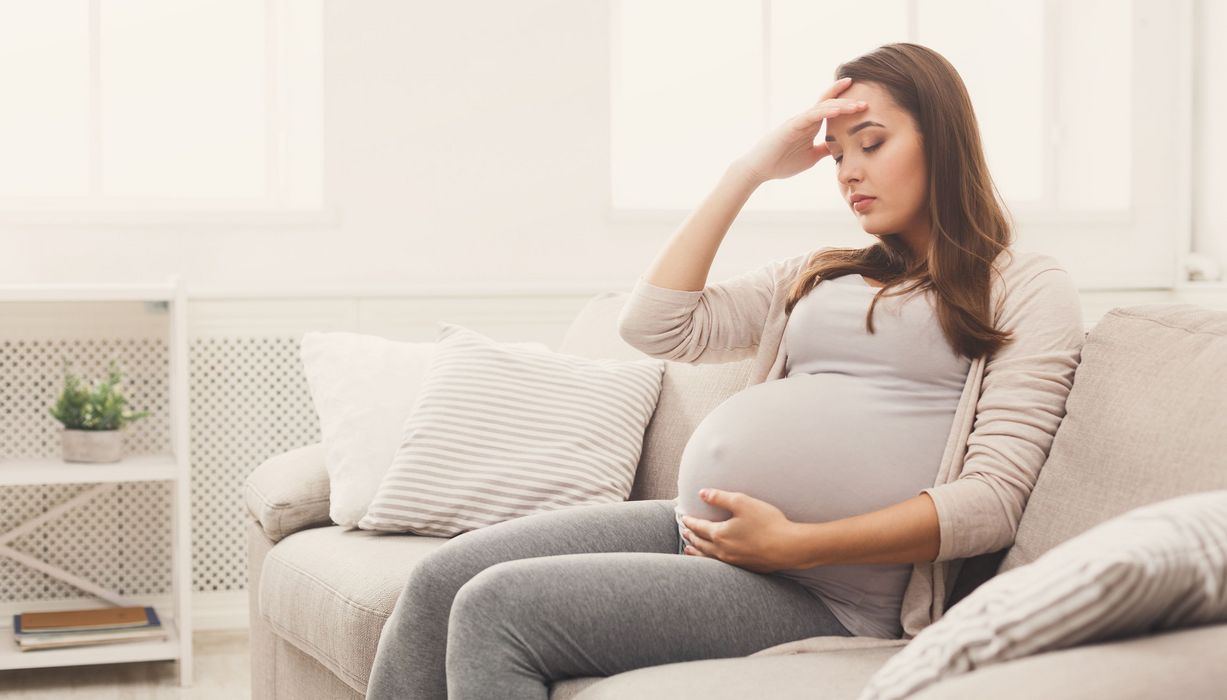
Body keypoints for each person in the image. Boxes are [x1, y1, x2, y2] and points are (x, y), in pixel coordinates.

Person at [365, 42, 1084, 700]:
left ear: (945, 141)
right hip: (699, 536)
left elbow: (990, 501)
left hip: (821, 591)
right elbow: (653, 324)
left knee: (499, 610)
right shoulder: (819, 272)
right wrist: (748, 172)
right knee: (437, 580)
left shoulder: (1020, 283)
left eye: (871, 143)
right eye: (835, 156)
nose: (849, 172)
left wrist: (796, 544)